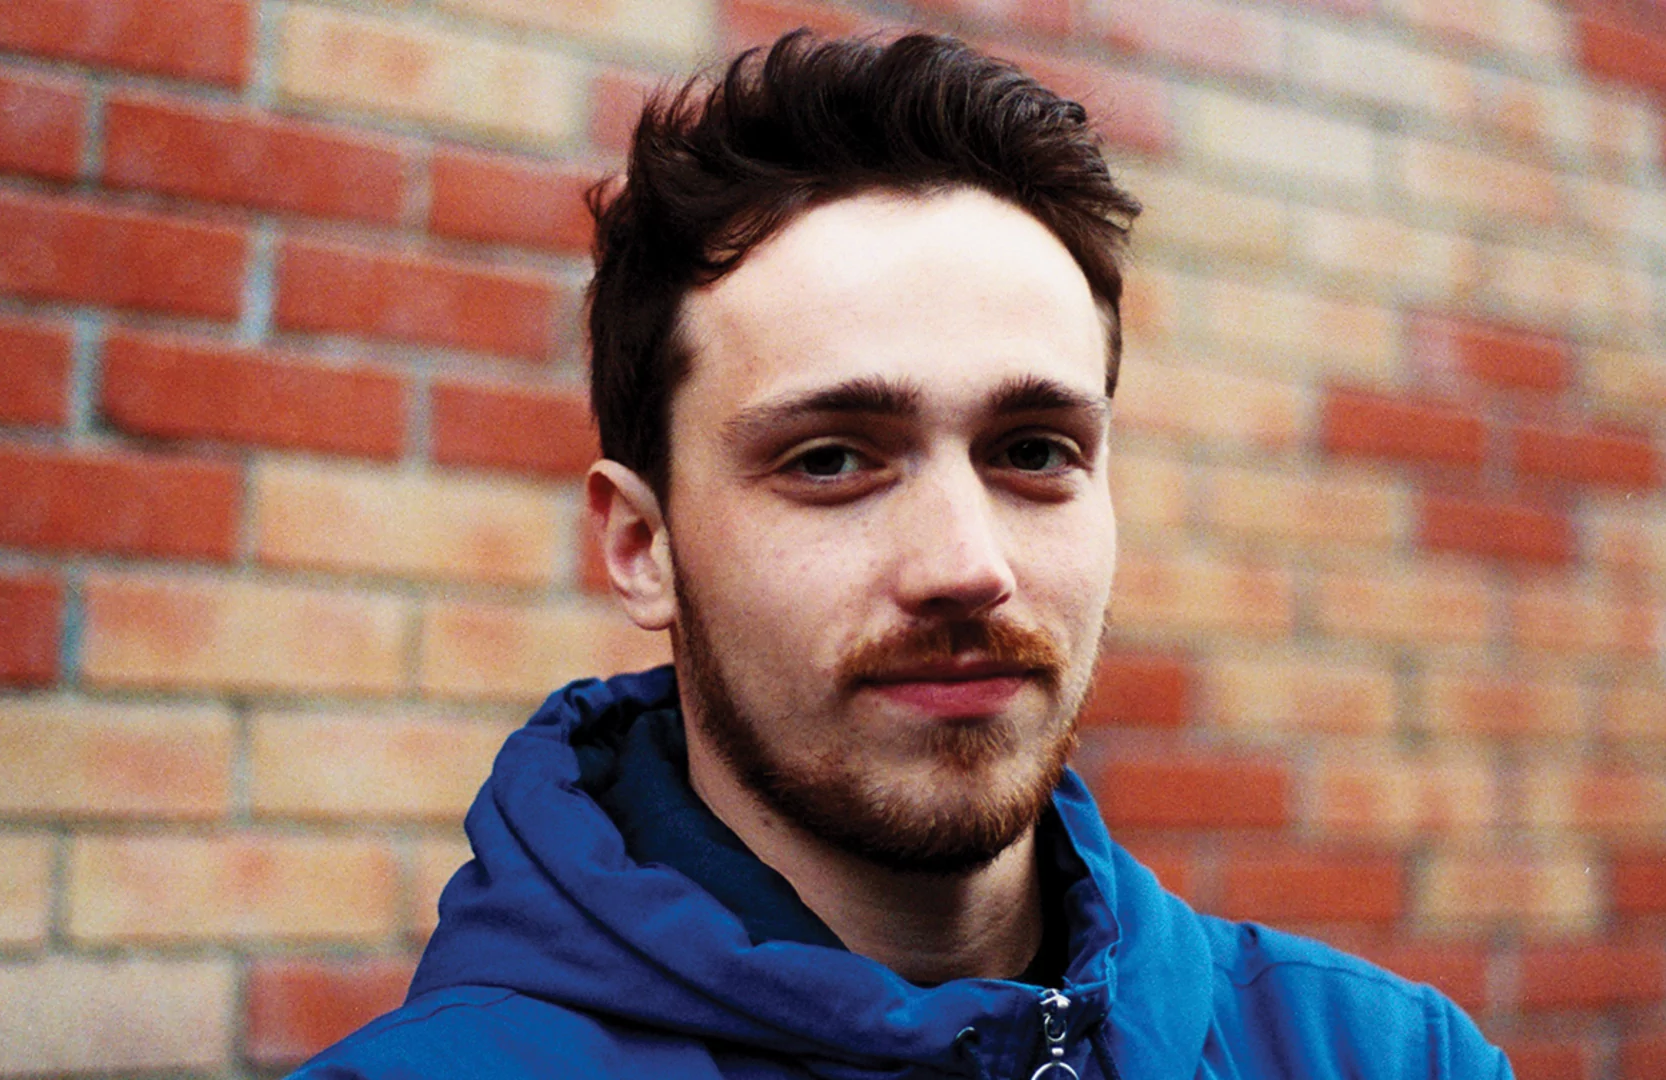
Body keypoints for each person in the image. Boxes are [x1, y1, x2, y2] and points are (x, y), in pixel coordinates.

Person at [293, 30, 1512, 1080]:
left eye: (1034, 450)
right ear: (641, 548)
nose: (965, 564)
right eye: (831, 459)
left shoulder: (1385, 1054)